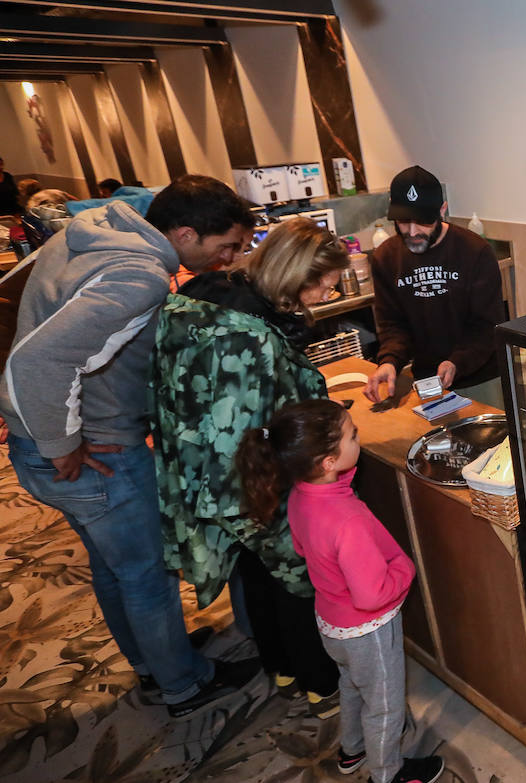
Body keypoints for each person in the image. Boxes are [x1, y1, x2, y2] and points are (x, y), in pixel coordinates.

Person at [0, 174, 258, 717]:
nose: (230, 256)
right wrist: (61, 443)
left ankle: (151, 661)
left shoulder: (101, 226)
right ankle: (184, 686)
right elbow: (37, 360)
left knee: (113, 566)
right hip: (95, 451)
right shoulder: (138, 273)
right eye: (227, 245)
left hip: (52, 437)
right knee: (148, 574)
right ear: (184, 233)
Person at [151, 218, 347, 718]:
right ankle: (322, 684)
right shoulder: (249, 338)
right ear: (291, 273)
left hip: (210, 473)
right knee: (297, 575)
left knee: (257, 573)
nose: (328, 292)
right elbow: (242, 427)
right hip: (253, 479)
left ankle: (281, 667)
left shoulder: (211, 292)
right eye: (321, 282)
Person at [238, 399, 444, 783]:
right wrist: (405, 571)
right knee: (383, 706)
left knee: (350, 686)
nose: (358, 438)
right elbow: (371, 595)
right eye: (352, 435)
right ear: (327, 462)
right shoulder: (346, 522)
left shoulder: (302, 495)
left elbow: (303, 548)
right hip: (369, 628)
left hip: (333, 623)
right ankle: (388, 774)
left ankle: (353, 749)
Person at [363, 165, 505, 403]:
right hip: (426, 379)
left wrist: (456, 362)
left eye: (423, 222)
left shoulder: (474, 251)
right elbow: (392, 324)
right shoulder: (386, 257)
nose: (412, 231)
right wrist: (389, 361)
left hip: (481, 378)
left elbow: (487, 325)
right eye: (403, 221)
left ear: (442, 210)